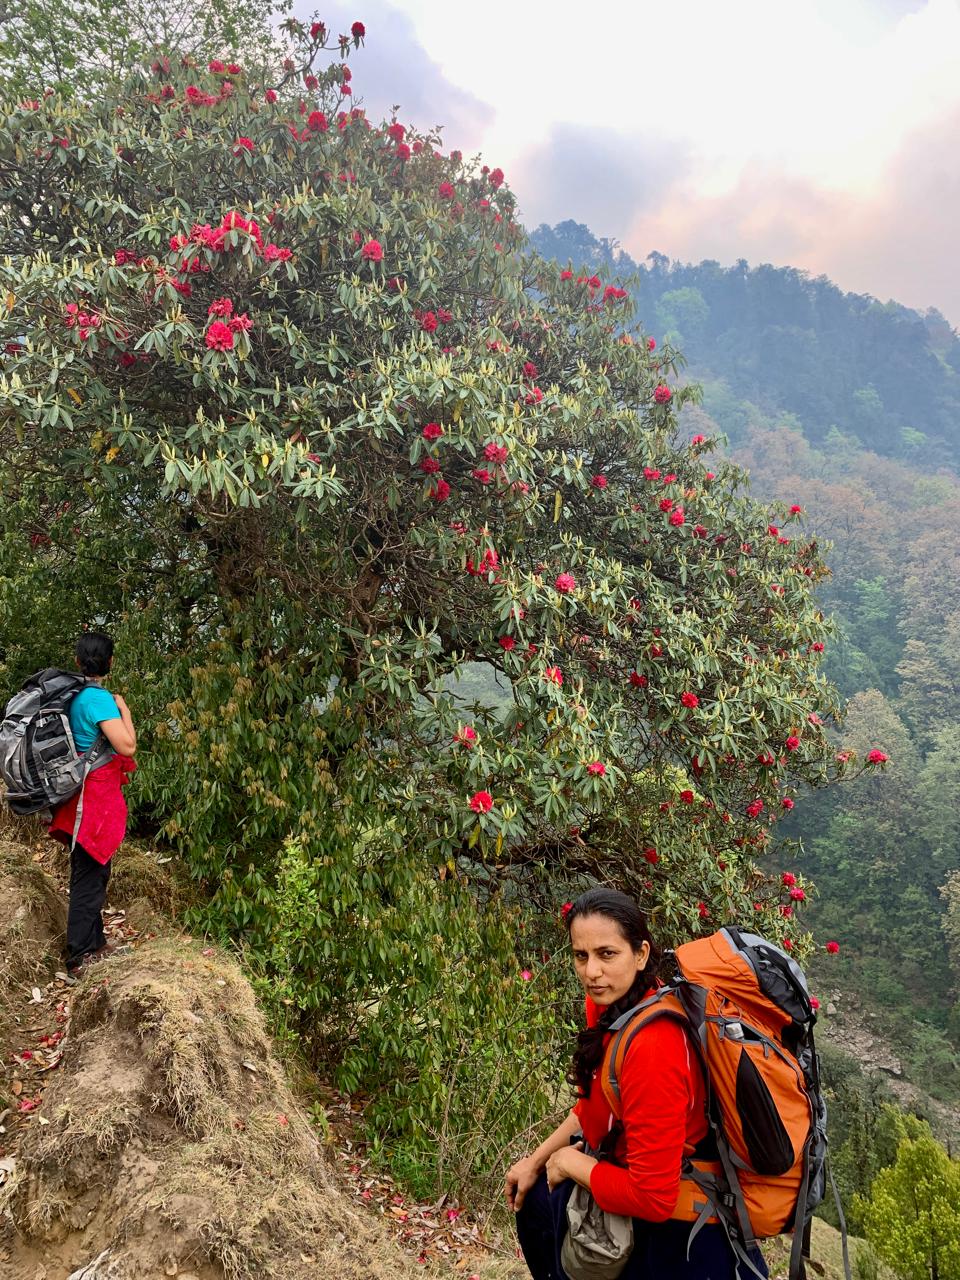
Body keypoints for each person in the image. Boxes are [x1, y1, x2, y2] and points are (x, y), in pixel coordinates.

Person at [505, 887, 769, 1280]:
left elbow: (653, 1197)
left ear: (641, 954)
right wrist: (537, 1160)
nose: (591, 971)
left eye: (607, 954)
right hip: (620, 1197)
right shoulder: (610, 1006)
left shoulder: (654, 1044)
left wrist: (569, 1162)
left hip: (676, 1240)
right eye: (581, 955)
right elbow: (596, 1106)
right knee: (535, 1203)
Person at [48, 632, 137, 977]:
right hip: (93, 801)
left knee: (93, 872)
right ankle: (79, 956)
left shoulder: (73, 695)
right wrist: (124, 710)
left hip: (79, 797)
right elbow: (126, 746)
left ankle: (96, 943)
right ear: (110, 662)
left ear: (77, 662)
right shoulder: (98, 700)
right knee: (89, 875)